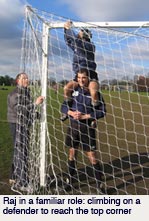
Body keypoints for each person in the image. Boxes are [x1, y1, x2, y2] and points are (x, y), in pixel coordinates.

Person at [61, 68, 106, 192]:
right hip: (73, 127)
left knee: (92, 157)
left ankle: (100, 185)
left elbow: (102, 111)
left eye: (84, 78)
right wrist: (70, 112)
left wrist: (86, 116)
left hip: (87, 128)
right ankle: (70, 181)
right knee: (72, 154)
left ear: (88, 78)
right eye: (79, 77)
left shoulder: (94, 93)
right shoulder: (73, 90)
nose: (81, 80)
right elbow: (63, 106)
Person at [7, 72, 44, 190]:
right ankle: (23, 183)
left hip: (24, 123)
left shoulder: (27, 92)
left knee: (20, 150)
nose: (26, 80)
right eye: (23, 78)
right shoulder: (14, 94)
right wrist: (35, 104)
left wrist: (38, 115)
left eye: (27, 78)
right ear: (17, 80)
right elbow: (20, 110)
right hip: (17, 124)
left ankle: (13, 176)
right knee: (21, 152)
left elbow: (28, 109)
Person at [62, 21, 99, 114]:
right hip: (79, 74)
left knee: (93, 92)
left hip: (90, 73)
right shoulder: (76, 45)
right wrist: (65, 30)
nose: (79, 33)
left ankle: (94, 115)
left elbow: (76, 41)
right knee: (66, 89)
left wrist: (69, 29)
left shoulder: (90, 46)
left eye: (81, 32)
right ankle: (68, 109)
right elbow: (69, 41)